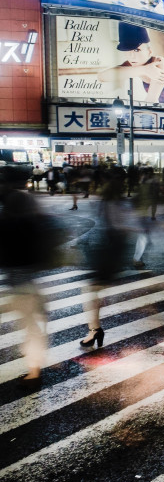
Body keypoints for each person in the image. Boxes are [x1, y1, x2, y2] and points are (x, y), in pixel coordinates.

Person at [1, 166, 62, 391]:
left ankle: (34, 373)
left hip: (20, 277)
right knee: (34, 321)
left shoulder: (13, 206)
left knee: (30, 326)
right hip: (28, 274)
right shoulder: (29, 204)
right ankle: (36, 366)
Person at [80, 168, 129, 353]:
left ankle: (95, 331)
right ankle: (95, 330)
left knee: (91, 291)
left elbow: (119, 227)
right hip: (110, 251)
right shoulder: (115, 200)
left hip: (110, 252)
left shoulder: (111, 201)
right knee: (93, 291)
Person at [97, 23, 164, 104]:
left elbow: (151, 101)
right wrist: (144, 70)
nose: (131, 56)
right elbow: (101, 77)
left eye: (137, 50)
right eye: (127, 50)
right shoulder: (133, 64)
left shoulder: (158, 63)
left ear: (149, 51)